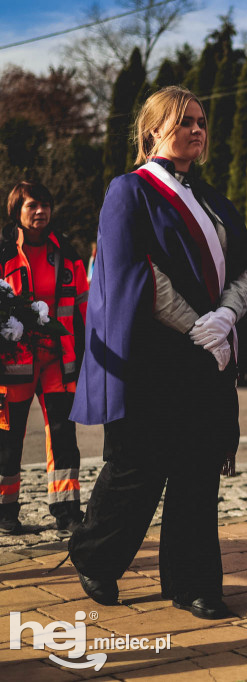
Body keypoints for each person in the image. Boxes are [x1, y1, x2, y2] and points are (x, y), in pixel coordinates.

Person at [68, 86, 247, 619]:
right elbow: (136, 273)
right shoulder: (129, 192)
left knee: (199, 470)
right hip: (154, 356)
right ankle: (94, 557)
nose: (196, 130)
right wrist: (198, 324)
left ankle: (193, 582)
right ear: (154, 130)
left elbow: (243, 271)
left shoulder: (215, 198)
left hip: (207, 355)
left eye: (200, 121)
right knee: (138, 468)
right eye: (184, 122)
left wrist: (225, 317)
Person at [0, 181, 89, 536]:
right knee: (8, 438)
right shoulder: (3, 253)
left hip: (58, 361)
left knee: (64, 435)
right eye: (32, 205)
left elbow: (84, 309)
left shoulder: (68, 253)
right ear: (16, 211)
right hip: (13, 364)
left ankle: (66, 511)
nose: (41, 211)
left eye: (46, 205)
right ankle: (5, 513)